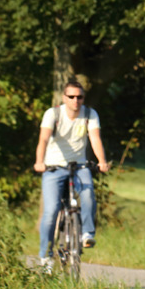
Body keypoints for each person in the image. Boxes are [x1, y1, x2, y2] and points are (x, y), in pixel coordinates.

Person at [34, 80, 109, 262]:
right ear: (64, 98)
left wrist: (102, 161)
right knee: (51, 211)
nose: (76, 101)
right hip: (54, 167)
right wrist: (39, 162)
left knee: (88, 194)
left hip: (79, 166)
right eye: (71, 97)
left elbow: (95, 139)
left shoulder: (90, 115)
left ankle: (86, 234)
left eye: (79, 97)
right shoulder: (53, 114)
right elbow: (43, 139)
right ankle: (46, 256)